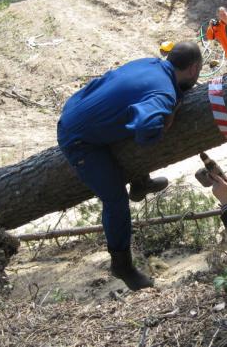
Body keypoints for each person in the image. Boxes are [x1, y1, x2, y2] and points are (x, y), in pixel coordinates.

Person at [57, 42, 202, 290]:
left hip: (78, 107)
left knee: (129, 116)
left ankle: (140, 181)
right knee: (115, 200)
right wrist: (170, 116)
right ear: (194, 68)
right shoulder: (164, 93)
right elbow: (146, 132)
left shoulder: (150, 64)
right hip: (78, 139)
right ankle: (121, 265)